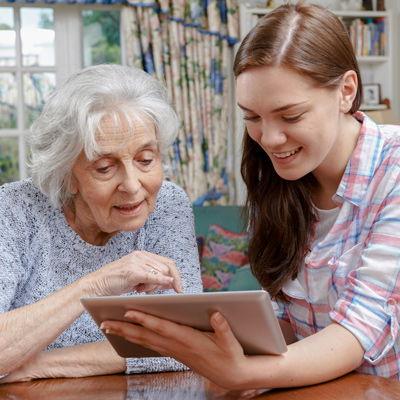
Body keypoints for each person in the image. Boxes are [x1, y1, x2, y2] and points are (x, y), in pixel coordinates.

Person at [101, 2, 400, 388]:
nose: (270, 139)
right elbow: (286, 323)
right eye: (252, 117)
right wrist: (208, 338)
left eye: (290, 116)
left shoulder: (392, 170)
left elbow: (361, 328)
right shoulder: (278, 175)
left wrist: (242, 372)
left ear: (346, 91)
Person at [0, 64, 203, 383]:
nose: (133, 186)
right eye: (105, 168)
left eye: (146, 160)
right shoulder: (14, 210)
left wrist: (37, 366)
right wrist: (94, 284)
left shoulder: (166, 203)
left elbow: (190, 339)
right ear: (67, 176)